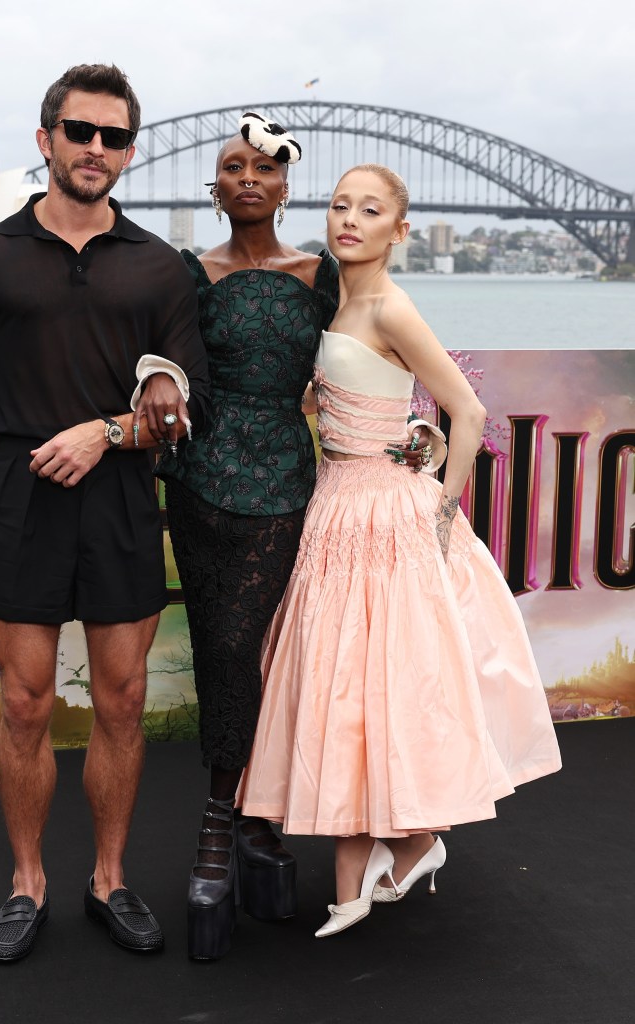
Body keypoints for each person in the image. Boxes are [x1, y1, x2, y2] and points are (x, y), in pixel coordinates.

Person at [0, 63, 210, 962]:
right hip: (22, 498)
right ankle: (27, 884)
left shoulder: (160, 266)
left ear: (130, 152)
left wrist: (103, 433)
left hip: (121, 499)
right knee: (24, 702)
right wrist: (27, 442)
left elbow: (184, 405)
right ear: (45, 139)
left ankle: (109, 880)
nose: (95, 148)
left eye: (112, 136)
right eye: (79, 131)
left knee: (123, 700)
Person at [238, 164, 562, 938]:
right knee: (340, 685)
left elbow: (468, 410)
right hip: (335, 505)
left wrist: (442, 511)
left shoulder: (389, 305)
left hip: (384, 517)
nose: (350, 219)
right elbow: (347, 394)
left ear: (400, 229)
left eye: (371, 210)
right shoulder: (336, 298)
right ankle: (361, 873)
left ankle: (412, 844)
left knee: (378, 684)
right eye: (341, 205)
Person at [154, 120, 442, 960]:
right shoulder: (188, 273)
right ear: (215, 187)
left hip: (286, 487)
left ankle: (230, 823)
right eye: (232, 166)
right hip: (199, 484)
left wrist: (411, 431)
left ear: (287, 189)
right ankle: (242, 819)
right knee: (219, 649)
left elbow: (370, 355)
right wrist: (155, 374)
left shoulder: (321, 276)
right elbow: (162, 353)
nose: (249, 177)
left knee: (270, 650)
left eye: (266, 167)